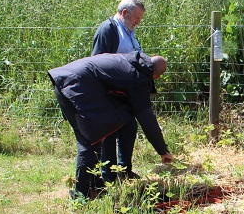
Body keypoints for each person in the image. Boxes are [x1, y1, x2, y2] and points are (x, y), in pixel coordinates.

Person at [49, 51, 173, 199]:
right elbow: (147, 119)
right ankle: (80, 195)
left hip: (67, 80)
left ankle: (94, 186)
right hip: (74, 88)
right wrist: (163, 151)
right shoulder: (139, 78)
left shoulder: (131, 60)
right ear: (156, 76)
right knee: (89, 142)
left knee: (96, 136)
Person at [91, 0, 147, 183]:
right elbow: (97, 62)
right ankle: (109, 176)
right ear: (124, 13)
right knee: (109, 134)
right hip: (110, 93)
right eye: (136, 18)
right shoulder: (108, 30)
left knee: (129, 128)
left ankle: (124, 170)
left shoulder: (128, 31)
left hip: (126, 94)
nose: (138, 23)